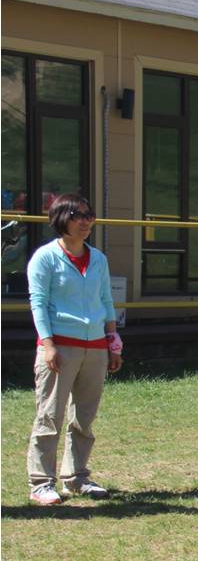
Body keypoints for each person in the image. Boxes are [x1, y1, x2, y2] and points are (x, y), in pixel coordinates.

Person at [26, 193, 123, 505]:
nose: (85, 222)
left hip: (95, 347)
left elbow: (106, 300)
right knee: (50, 415)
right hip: (60, 347)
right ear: (61, 219)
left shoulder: (99, 259)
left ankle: (77, 477)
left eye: (88, 215)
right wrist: (48, 344)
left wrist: (112, 341)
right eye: (77, 216)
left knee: (84, 416)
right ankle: (41, 482)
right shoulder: (45, 258)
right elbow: (38, 303)